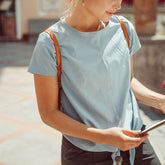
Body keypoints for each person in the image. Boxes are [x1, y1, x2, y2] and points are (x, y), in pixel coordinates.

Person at [28, 0, 165, 164]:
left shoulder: (124, 28)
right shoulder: (50, 43)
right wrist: (103, 137)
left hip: (136, 140)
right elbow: (49, 114)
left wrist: (160, 101)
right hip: (85, 154)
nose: (118, 5)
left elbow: (127, 81)